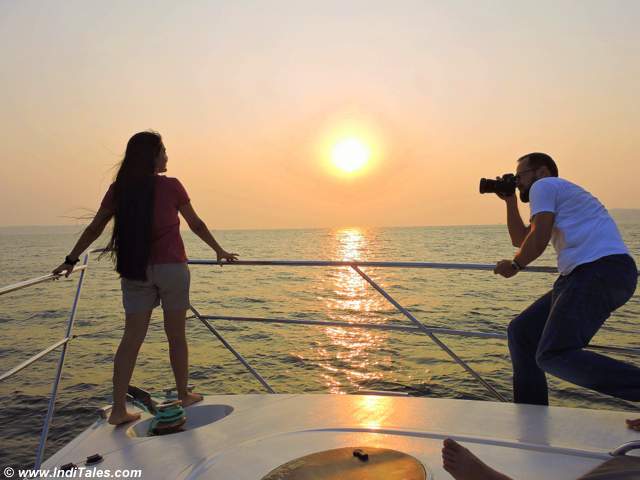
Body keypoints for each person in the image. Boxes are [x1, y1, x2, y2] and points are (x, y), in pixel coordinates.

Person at [52, 131, 238, 425]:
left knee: (131, 340)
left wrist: (70, 260)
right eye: (164, 151)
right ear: (152, 156)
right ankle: (183, 394)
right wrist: (219, 250)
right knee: (176, 335)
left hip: (135, 270)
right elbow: (197, 224)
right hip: (172, 270)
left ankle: (117, 410)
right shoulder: (173, 186)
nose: (167, 156)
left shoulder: (119, 189)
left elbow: (94, 228)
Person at [492, 153, 638, 422]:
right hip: (586, 275)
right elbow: (521, 239)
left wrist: (515, 266)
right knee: (522, 332)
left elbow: (539, 237)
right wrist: (511, 201)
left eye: (521, 176)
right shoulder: (553, 193)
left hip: (599, 270)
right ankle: (531, 415)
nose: (518, 181)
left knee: (553, 353)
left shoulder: (545, 186)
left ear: (542, 172)